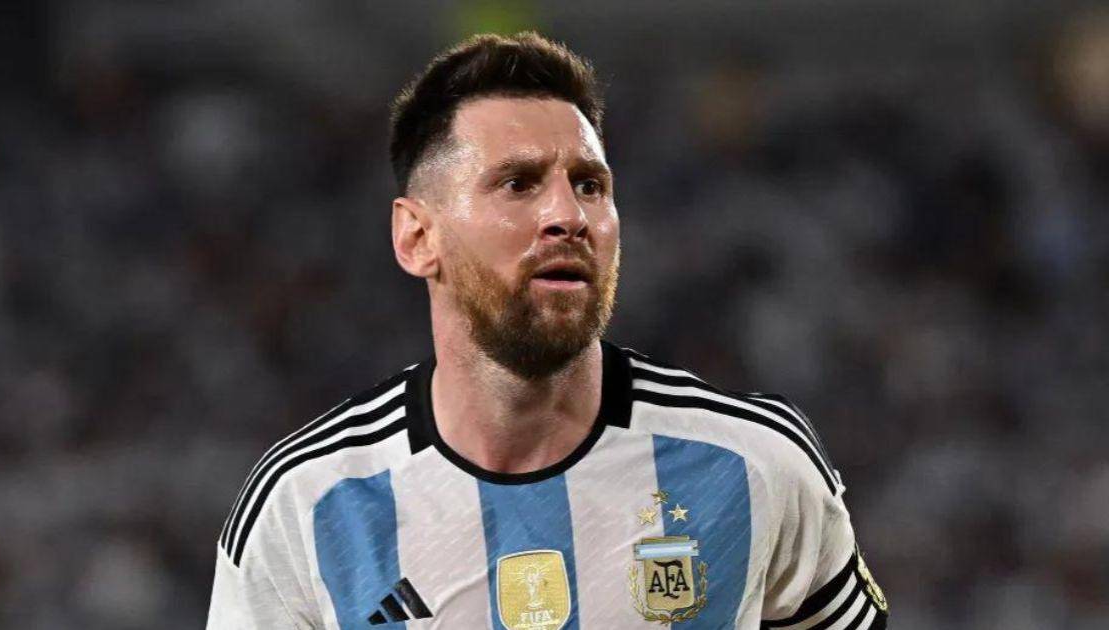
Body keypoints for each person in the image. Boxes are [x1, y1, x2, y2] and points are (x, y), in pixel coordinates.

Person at [207, 31, 887, 630]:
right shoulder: (305, 505)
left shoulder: (755, 463)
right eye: (518, 184)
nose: (569, 216)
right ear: (417, 237)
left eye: (589, 185)